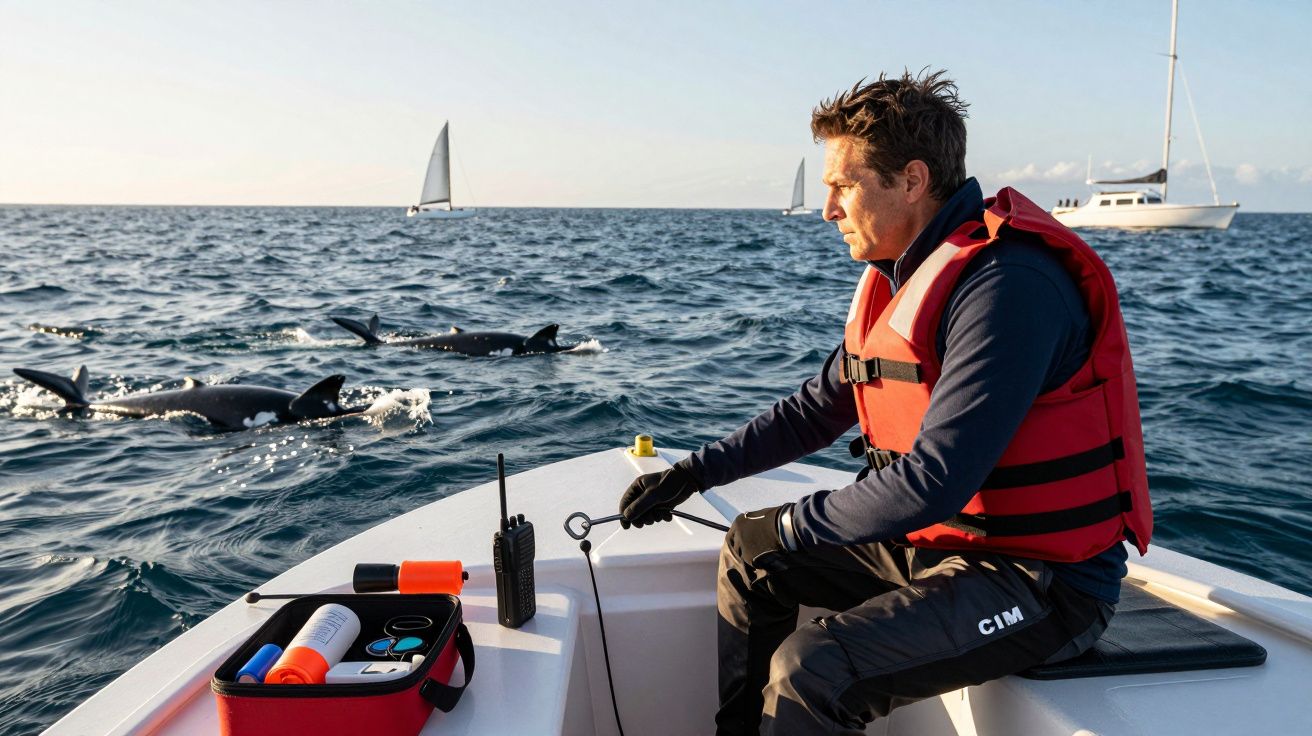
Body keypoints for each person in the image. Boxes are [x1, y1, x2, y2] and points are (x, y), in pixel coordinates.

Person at [617, 70, 1152, 735]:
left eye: (844, 185)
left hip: (1044, 583)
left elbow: (933, 481)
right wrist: (696, 472)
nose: (828, 209)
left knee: (814, 667)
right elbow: (817, 408)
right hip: (946, 547)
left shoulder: (1009, 288)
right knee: (751, 557)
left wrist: (789, 524)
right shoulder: (903, 280)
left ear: (912, 181)